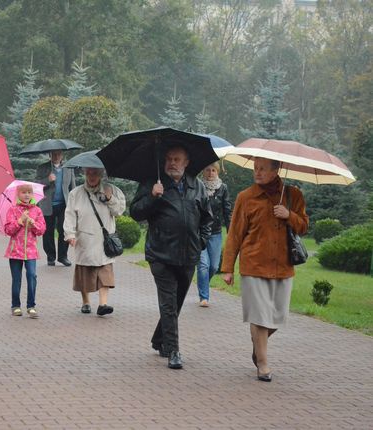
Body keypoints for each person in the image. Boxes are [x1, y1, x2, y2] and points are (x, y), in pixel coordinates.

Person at [221, 157, 308, 382]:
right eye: (255, 169)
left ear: (276, 170)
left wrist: (289, 215)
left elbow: (304, 227)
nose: (257, 173)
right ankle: (263, 363)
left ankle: (258, 347)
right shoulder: (246, 197)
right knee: (259, 316)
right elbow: (235, 234)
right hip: (254, 264)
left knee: (278, 316)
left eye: (262, 169)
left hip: (283, 267)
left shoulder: (293, 195)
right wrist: (228, 268)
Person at [129, 146, 213, 369]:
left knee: (176, 302)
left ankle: (159, 339)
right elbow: (136, 213)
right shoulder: (153, 183)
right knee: (168, 303)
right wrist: (152, 197)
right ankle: (173, 350)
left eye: (177, 159)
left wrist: (201, 241)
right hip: (161, 254)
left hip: (188, 255)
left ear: (186, 163)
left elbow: (208, 220)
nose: (172, 163)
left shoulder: (198, 187)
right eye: (168, 159)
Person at [63, 167, 126, 316]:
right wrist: (70, 234)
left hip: (104, 239)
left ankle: (103, 304)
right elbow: (70, 215)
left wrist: (110, 199)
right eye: (89, 173)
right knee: (85, 272)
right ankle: (86, 302)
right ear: (85, 174)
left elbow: (119, 211)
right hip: (84, 238)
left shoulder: (111, 190)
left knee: (105, 271)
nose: (92, 176)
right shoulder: (76, 193)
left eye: (95, 173)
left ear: (101, 174)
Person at [4, 184, 46, 318]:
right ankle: (15, 306)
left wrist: (33, 223)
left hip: (31, 251)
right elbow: (8, 230)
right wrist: (20, 221)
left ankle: (31, 305)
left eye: (29, 192)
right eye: (23, 192)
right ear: (18, 194)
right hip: (15, 251)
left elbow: (41, 230)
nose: (27, 195)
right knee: (16, 279)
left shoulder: (37, 211)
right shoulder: (13, 210)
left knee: (32, 276)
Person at [196, 162, 232, 307]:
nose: (210, 173)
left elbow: (227, 210)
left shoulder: (223, 188)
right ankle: (204, 297)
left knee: (214, 267)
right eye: (207, 170)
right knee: (204, 265)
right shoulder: (198, 187)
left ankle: (202, 283)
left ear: (217, 172)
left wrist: (231, 231)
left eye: (213, 170)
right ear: (203, 172)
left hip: (216, 232)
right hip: (200, 231)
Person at [36, 150, 76, 266]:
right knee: (48, 232)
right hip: (48, 204)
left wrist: (74, 204)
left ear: (62, 155)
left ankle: (63, 257)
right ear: (50, 155)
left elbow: (72, 187)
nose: (56, 156)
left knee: (64, 230)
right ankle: (51, 256)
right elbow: (37, 184)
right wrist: (47, 180)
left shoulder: (69, 167)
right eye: (54, 154)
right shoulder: (42, 167)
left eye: (59, 154)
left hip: (64, 205)